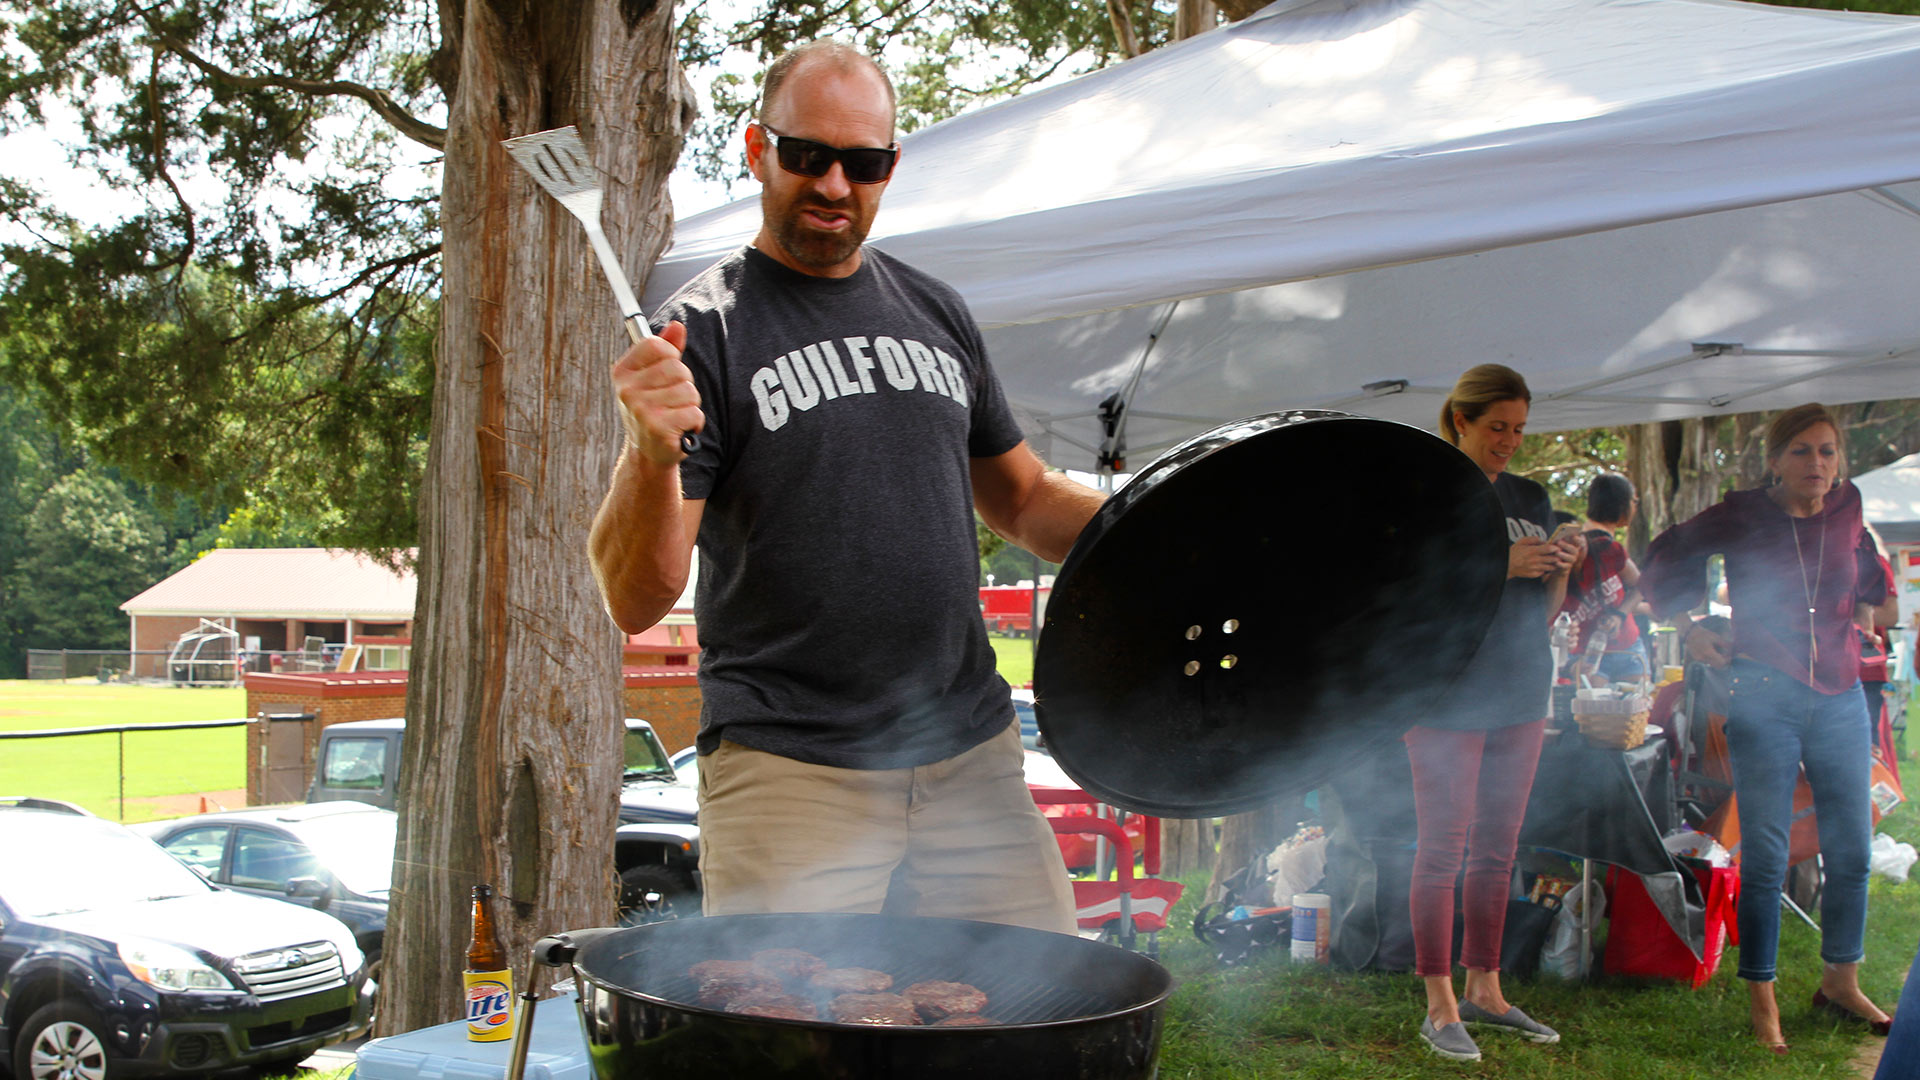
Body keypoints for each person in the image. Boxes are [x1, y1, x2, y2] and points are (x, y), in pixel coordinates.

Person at [587, 41, 1103, 934]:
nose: (833, 183)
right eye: (807, 155)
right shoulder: (703, 335)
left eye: (861, 162)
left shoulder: (936, 311)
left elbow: (1021, 498)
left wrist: (1164, 525)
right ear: (758, 151)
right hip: (792, 769)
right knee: (793, 1035)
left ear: (889, 169)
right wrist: (649, 451)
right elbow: (637, 597)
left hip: (966, 754)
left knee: (1040, 1013)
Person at [1641, 403, 1895, 1053]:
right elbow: (1666, 551)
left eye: (1829, 452)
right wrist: (1692, 630)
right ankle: (1763, 997)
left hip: (1840, 696)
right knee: (1767, 855)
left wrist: (1868, 607)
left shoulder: (1849, 507)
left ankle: (1841, 979)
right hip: (1762, 693)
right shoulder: (1742, 511)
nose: (1818, 464)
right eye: (1803, 451)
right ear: (1775, 460)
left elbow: (1870, 575)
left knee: (1854, 851)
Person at [1408, 363, 1579, 1062]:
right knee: (1442, 848)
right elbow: (1409, 605)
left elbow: (1542, 613)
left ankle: (1487, 987)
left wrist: (1561, 563)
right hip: (1445, 695)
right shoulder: (1427, 495)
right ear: (1461, 422)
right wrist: (1499, 567)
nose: (1509, 441)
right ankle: (1438, 1000)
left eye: (1518, 429)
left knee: (1499, 850)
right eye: (1496, 427)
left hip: (1520, 689)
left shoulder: (1530, 495)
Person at [1560, 473, 1649, 685]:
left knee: (1634, 713)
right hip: (1588, 657)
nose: (1635, 507)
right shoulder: (1593, 547)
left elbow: (1642, 586)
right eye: (1633, 501)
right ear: (1621, 505)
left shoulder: (1611, 548)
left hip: (1629, 649)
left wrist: (1619, 614)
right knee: (1598, 715)